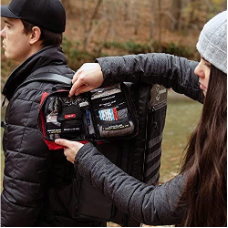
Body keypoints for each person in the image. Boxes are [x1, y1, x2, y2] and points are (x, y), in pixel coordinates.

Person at [55, 11, 227, 227]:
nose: (197, 70)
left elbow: (152, 206)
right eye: (200, 59)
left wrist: (85, 158)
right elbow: (171, 68)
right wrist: (105, 70)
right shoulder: (218, 93)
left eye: (209, 65)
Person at [1, 0, 104, 227]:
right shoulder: (72, 82)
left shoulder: (33, 96)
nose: (1, 33)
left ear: (33, 34)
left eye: (9, 26)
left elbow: (19, 199)